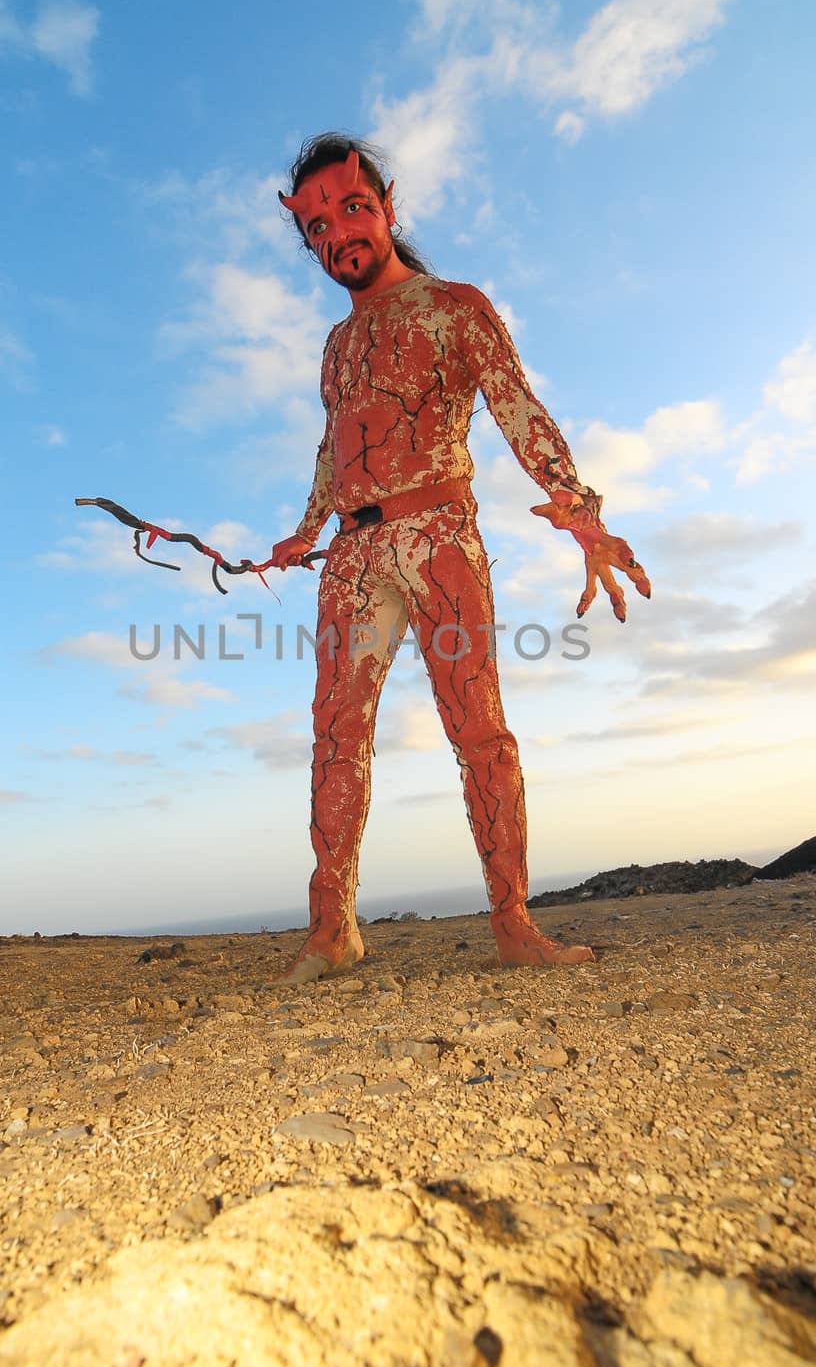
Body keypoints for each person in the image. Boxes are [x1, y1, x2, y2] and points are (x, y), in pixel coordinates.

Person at [271, 134, 650, 986]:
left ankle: (513, 923)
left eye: (352, 210)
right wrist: (305, 528)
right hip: (354, 555)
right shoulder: (335, 347)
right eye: (318, 228)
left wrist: (582, 516)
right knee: (335, 739)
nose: (338, 236)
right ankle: (331, 931)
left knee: (477, 730)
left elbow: (518, 407)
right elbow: (334, 447)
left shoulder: (453, 307)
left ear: (388, 206)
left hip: (439, 537)